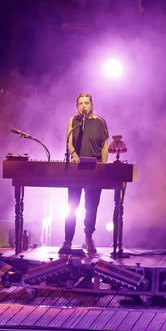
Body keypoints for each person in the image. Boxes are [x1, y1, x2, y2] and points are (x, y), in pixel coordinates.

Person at [62, 93, 109, 256]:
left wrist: (103, 166)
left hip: (94, 169)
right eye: (80, 103)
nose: (83, 106)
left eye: (86, 103)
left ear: (91, 105)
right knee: (72, 206)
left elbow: (104, 145)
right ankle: (68, 239)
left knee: (91, 206)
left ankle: (88, 237)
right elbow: (69, 141)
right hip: (76, 169)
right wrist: (74, 155)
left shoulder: (100, 122)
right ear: (77, 106)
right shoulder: (73, 121)